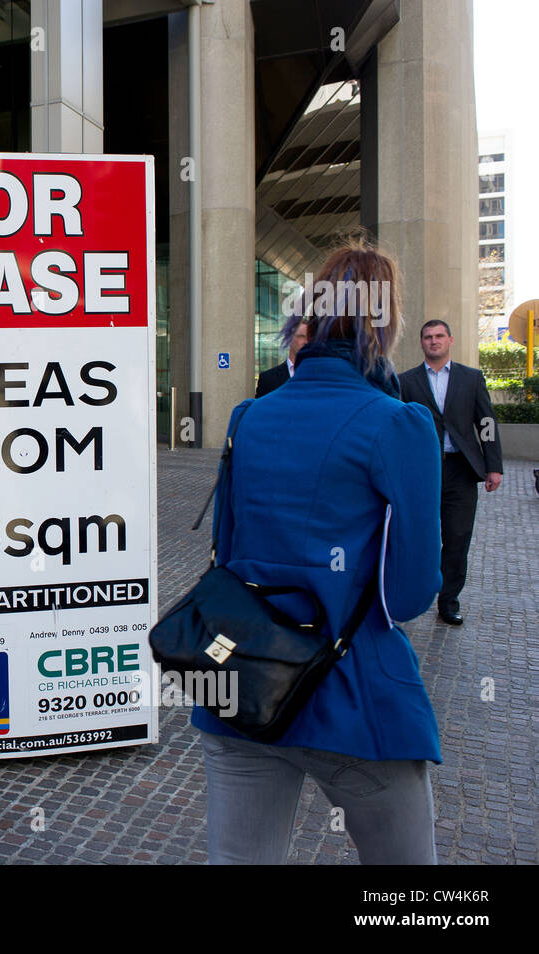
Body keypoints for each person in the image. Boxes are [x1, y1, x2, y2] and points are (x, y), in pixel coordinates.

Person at [197, 240, 443, 864]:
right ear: (382, 324)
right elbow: (411, 594)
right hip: (356, 698)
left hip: (246, 687)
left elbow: (227, 553)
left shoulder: (248, 417)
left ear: (308, 316)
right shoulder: (400, 424)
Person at [397, 321, 504, 626]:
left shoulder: (471, 378)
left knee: (457, 537)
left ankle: (448, 601)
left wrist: (493, 466)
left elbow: (486, 422)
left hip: (461, 469)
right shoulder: (406, 382)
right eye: (428, 337)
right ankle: (413, 596)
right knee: (420, 536)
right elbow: (398, 427)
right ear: (422, 343)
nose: (434, 341)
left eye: (439, 336)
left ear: (450, 340)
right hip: (422, 471)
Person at [254, 320, 310, 396]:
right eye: (301, 336)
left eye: (309, 338)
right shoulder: (268, 379)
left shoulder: (320, 377)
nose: (306, 341)